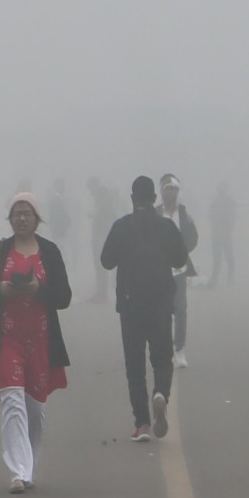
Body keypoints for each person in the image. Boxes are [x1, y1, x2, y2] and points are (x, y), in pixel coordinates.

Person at [0, 193, 72, 492]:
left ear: (37, 218)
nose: (21, 218)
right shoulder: (0, 250)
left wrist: (36, 289)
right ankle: (19, 472)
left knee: (35, 410)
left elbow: (64, 297)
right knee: (12, 399)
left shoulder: (50, 252)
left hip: (41, 341)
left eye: (27, 213)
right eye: (16, 213)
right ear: (10, 219)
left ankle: (28, 464)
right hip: (6, 338)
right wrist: (1, 289)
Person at [100, 176, 188, 442]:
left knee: (135, 364)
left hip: (130, 305)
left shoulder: (121, 227)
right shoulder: (166, 226)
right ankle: (160, 393)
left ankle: (142, 424)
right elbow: (180, 258)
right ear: (153, 199)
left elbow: (106, 261)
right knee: (162, 357)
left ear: (131, 199)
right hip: (161, 303)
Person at [159, 174, 199, 367]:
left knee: (180, 309)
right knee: (161, 311)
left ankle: (179, 349)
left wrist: (181, 253)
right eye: (167, 188)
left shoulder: (184, 214)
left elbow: (192, 237)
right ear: (161, 191)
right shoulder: (155, 213)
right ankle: (164, 348)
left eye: (174, 188)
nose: (171, 192)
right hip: (158, 271)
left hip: (179, 270)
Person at [208, 184, 236, 287]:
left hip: (220, 234)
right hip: (221, 234)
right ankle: (226, 278)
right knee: (225, 257)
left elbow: (211, 218)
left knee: (221, 257)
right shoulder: (228, 202)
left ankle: (219, 278)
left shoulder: (216, 203)